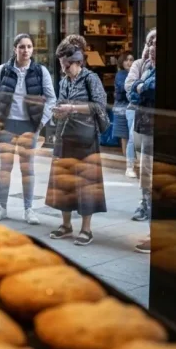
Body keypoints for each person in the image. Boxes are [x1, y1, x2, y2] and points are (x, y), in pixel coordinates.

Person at [0, 33, 56, 224]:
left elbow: (51, 98)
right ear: (15, 49)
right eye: (22, 47)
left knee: (28, 169)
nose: (26, 50)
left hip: (29, 126)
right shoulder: (4, 70)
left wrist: (41, 122)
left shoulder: (40, 71)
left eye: (29, 47)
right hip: (7, 124)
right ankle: (1, 207)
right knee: (4, 168)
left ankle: (28, 209)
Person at [46, 38, 108, 246]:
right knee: (64, 180)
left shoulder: (91, 79)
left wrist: (72, 108)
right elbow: (60, 103)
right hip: (66, 137)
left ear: (78, 61)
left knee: (86, 183)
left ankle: (86, 229)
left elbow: (99, 106)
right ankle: (66, 225)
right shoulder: (64, 81)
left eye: (67, 65)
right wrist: (58, 112)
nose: (64, 70)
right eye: (62, 65)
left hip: (86, 138)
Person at [125, 30, 157, 222]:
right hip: (142, 122)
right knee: (145, 167)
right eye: (150, 42)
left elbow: (151, 89)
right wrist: (140, 87)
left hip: (160, 124)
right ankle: (144, 202)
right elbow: (130, 90)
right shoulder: (142, 65)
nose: (152, 47)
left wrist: (142, 87)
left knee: (155, 167)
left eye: (156, 43)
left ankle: (152, 203)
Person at [113, 52, 136, 177]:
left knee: (129, 137)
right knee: (125, 136)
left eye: (131, 59)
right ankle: (127, 163)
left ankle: (129, 162)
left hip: (129, 108)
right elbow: (123, 88)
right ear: (121, 62)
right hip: (122, 109)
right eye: (126, 60)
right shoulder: (121, 74)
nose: (129, 62)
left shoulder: (134, 73)